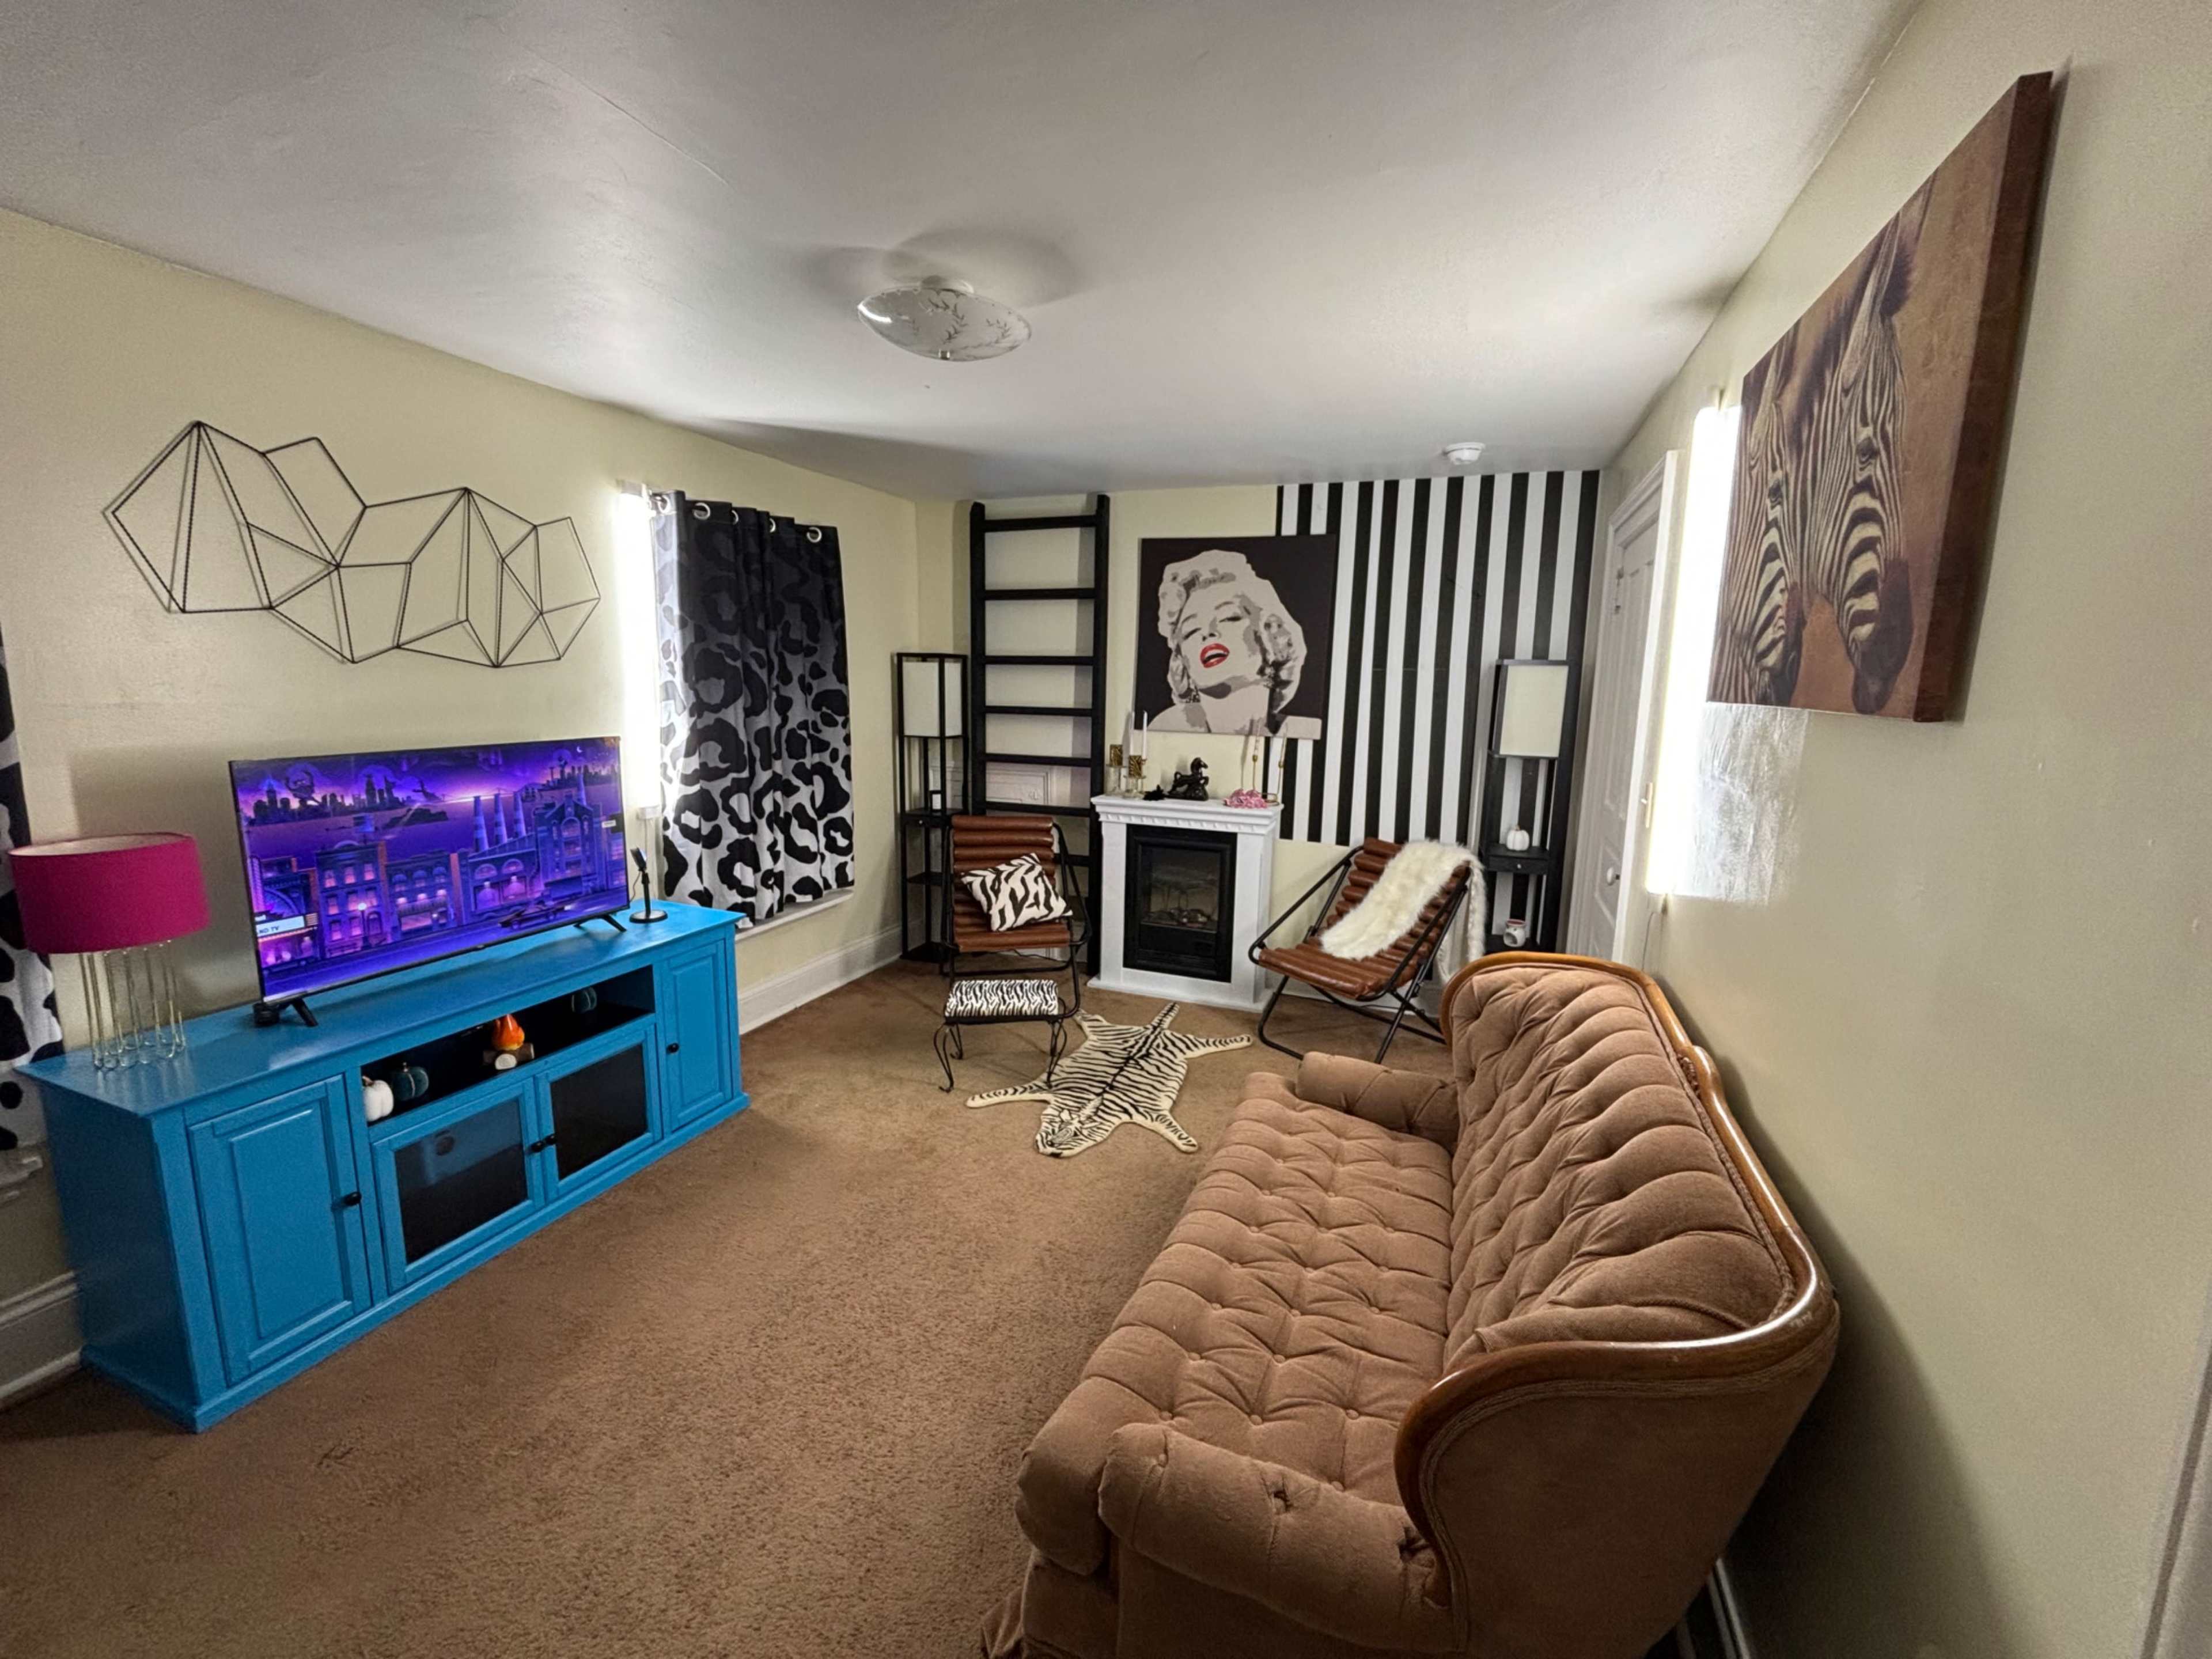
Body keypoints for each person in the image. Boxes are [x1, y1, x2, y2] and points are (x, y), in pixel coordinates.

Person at [1149, 548, 1320, 738]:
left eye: (1228, 617)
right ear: (1182, 662)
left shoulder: (1304, 731)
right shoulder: (1166, 730)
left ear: (1271, 637)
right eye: (1191, 631)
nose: (1207, 633)